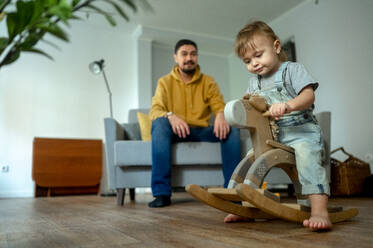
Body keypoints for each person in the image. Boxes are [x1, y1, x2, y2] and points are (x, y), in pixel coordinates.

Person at [224, 21, 331, 231]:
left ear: (276, 46)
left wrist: (288, 105)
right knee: (250, 158)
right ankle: (245, 204)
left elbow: (309, 95)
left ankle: (320, 211)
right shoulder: (253, 83)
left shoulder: (292, 70)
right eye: (247, 60)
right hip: (272, 135)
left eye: (258, 55)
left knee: (308, 157)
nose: (254, 63)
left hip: (301, 132)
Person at [148, 39, 241, 208]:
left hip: (201, 130)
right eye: (184, 54)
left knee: (233, 129)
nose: (189, 58)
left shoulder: (208, 81)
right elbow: (154, 111)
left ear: (197, 57)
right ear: (176, 57)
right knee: (159, 124)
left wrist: (221, 114)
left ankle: (232, 192)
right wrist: (170, 116)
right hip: (174, 133)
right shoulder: (164, 82)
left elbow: (219, 104)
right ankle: (161, 193)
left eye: (193, 54)